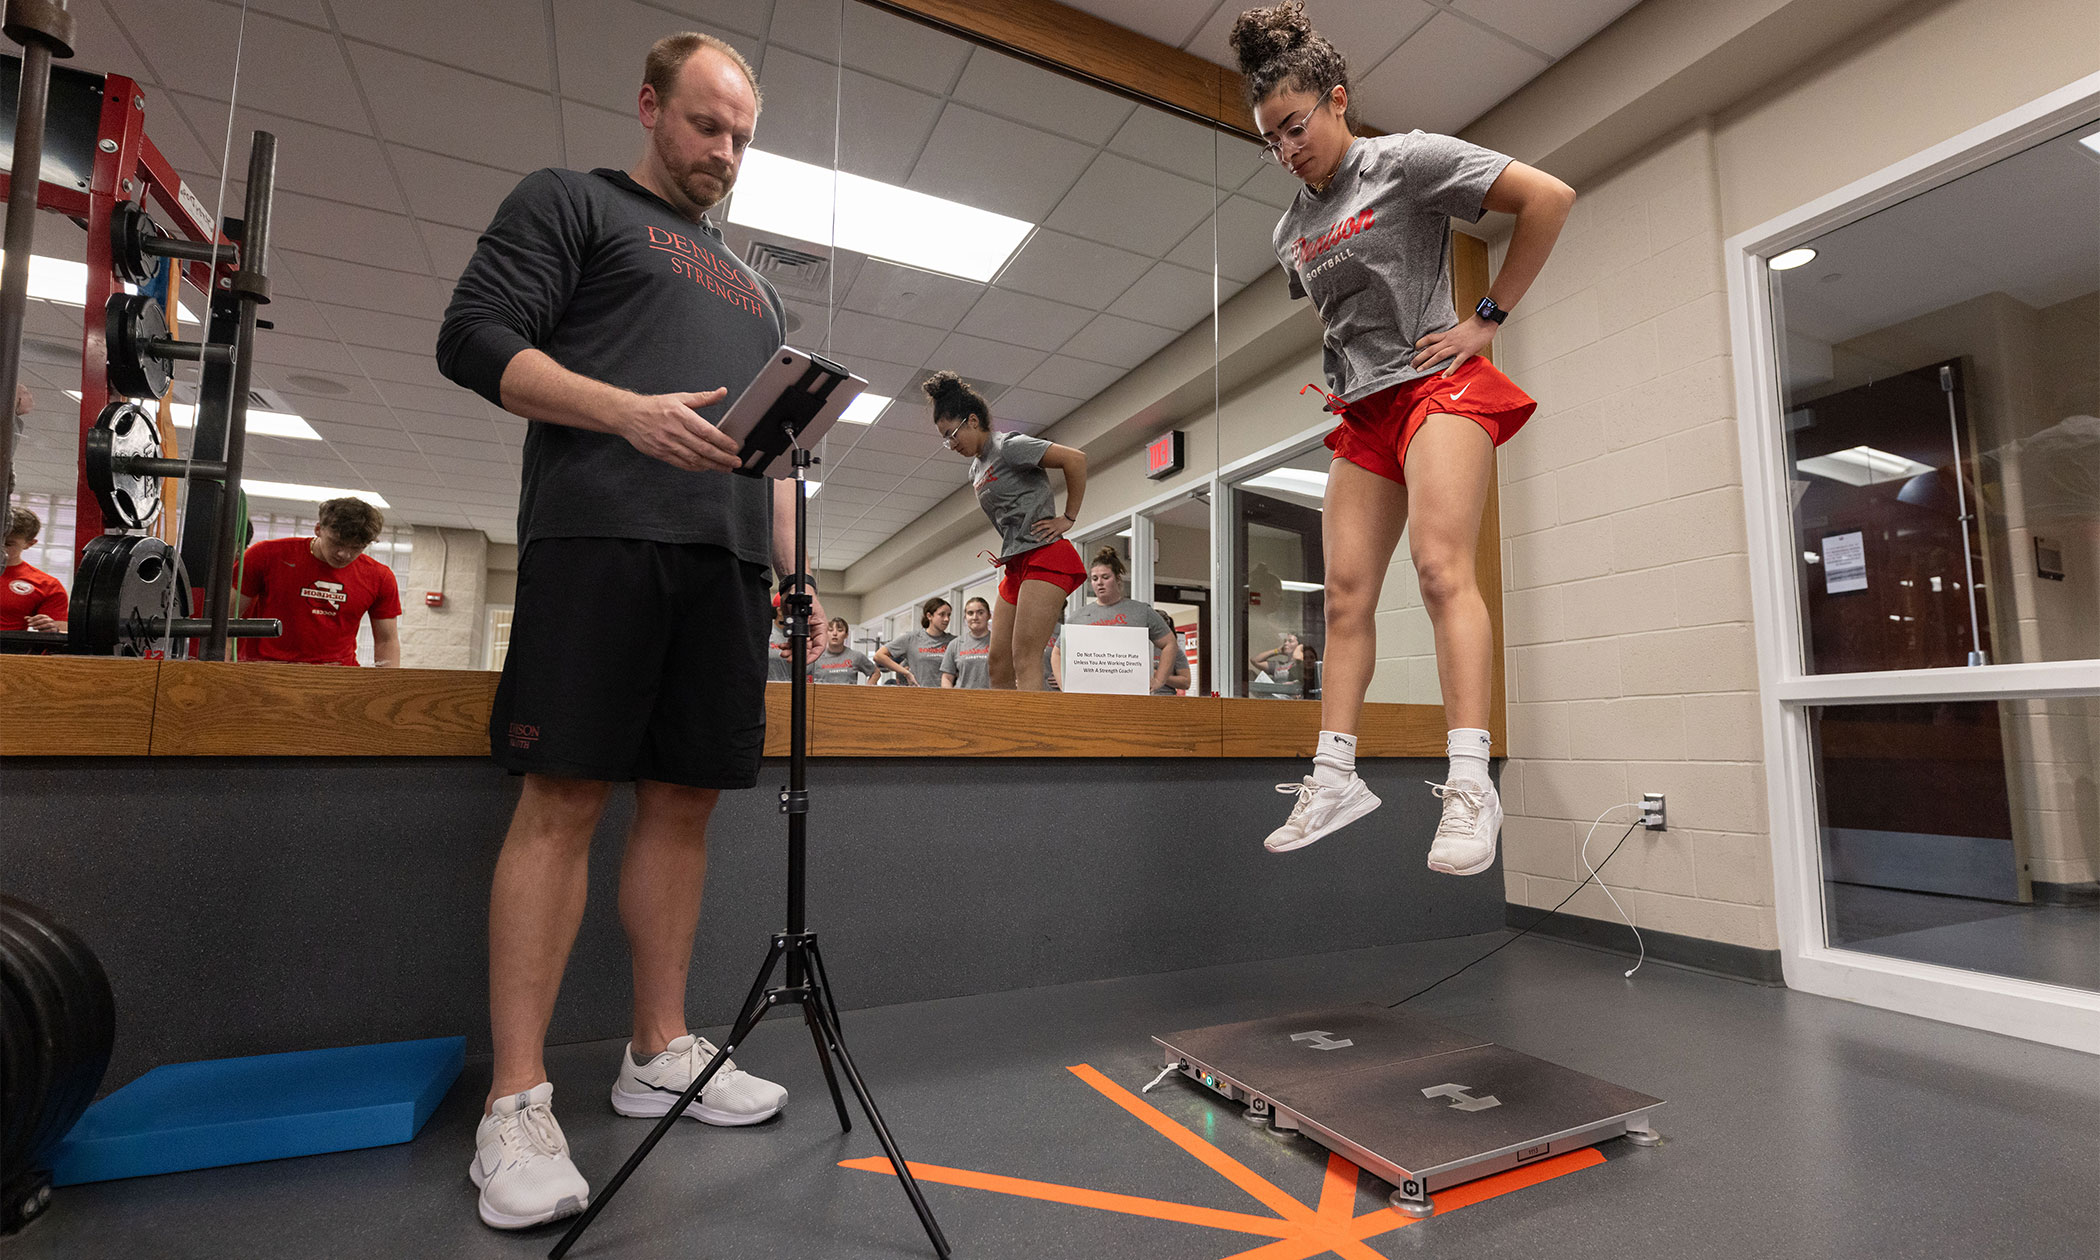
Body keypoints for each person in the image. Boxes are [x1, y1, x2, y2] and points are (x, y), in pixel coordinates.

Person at [435, 31, 820, 1232]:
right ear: (649, 105)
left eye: (743, 137)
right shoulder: (572, 203)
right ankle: (514, 1101)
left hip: (726, 568)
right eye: (707, 126)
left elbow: (776, 461)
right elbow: (473, 341)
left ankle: (658, 1050)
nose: (725, 153)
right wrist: (625, 416)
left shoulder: (758, 290)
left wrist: (797, 583)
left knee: (686, 800)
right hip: (599, 535)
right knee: (564, 795)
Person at [1232, 3, 1572, 872]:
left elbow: (1547, 198)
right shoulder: (1289, 232)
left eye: (1295, 126)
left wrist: (1487, 317)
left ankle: (1469, 782)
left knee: (1437, 566)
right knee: (1343, 595)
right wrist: (1343, 376)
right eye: (1270, 138)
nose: (1286, 149)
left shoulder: (1406, 161)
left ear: (1337, 100)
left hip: (1441, 384)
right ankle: (1335, 776)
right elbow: (1347, 314)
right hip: (1367, 411)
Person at [922, 371, 1087, 691]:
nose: (950, 444)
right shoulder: (975, 468)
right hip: (1016, 562)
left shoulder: (1009, 446)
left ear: (972, 421)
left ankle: (1030, 738)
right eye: (945, 438)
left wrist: (1068, 517)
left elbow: (1075, 460)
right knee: (997, 663)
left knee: (1025, 656)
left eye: (951, 434)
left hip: (1045, 554)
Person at [235, 498, 401, 666]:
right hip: (267, 669)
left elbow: (386, 641)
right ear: (318, 529)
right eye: (337, 543)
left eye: (356, 547)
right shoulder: (266, 555)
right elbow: (227, 619)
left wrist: (387, 688)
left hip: (335, 676)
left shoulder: (379, 577)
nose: (345, 554)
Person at [1049, 546, 1174, 693]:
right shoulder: (1078, 617)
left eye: (1105, 577)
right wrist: (1064, 684)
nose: (1099, 582)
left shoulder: (1141, 611)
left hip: (1130, 693)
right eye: (1095, 579)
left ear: (1117, 578)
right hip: (1089, 693)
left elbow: (1169, 643)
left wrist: (1159, 680)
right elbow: (1057, 653)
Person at [1, 507, 67, 633]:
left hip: (8, 649)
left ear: (29, 544)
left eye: (8, 544)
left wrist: (51, 629)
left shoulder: (47, 586)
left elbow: (61, 636)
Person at [874, 596, 953, 687]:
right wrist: (906, 673)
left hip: (946, 696)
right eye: (942, 614)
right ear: (929, 616)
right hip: (919, 695)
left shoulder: (953, 641)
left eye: (949, 615)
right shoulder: (912, 638)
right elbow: (879, 656)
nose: (946, 619)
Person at [940, 596, 993, 689]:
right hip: (962, 700)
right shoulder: (955, 644)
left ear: (989, 615)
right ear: (965, 617)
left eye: (980, 613)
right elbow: (947, 678)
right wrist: (950, 699)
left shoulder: (999, 642)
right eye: (970, 613)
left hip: (992, 699)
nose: (975, 617)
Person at [809, 616, 878, 684]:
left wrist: (866, 692)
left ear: (846, 635)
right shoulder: (816, 657)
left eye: (840, 630)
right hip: (822, 694)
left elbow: (876, 673)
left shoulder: (856, 656)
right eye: (830, 630)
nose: (835, 633)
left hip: (848, 695)